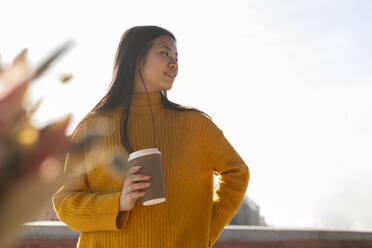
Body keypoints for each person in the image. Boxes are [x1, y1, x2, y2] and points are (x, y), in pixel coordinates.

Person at [52, 25, 250, 248]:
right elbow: (65, 203)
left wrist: (203, 234)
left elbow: (237, 172)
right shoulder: (93, 128)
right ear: (137, 58)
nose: (174, 64)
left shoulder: (195, 125)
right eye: (164, 53)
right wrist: (118, 203)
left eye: (176, 57)